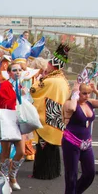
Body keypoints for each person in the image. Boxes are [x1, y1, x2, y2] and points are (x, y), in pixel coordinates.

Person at [61, 81, 98, 194]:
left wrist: (96, 91)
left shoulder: (90, 103)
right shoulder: (70, 103)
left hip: (86, 144)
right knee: (71, 174)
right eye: (84, 93)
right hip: (71, 142)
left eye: (88, 93)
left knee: (90, 172)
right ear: (78, 93)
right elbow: (71, 108)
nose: (87, 96)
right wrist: (75, 93)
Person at [32, 43, 71, 180]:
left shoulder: (50, 81)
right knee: (51, 147)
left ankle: (43, 172)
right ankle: (52, 171)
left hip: (47, 117)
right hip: (57, 116)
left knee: (44, 146)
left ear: (53, 66)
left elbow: (34, 91)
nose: (46, 66)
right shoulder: (62, 80)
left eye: (49, 64)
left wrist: (38, 78)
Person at [0, 62, 27, 190]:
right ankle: (6, 179)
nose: (17, 72)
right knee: (6, 152)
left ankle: (12, 174)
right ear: (9, 72)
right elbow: (3, 102)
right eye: (14, 70)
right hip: (7, 120)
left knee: (21, 151)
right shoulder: (4, 85)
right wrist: (18, 95)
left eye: (19, 70)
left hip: (19, 121)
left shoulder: (20, 85)